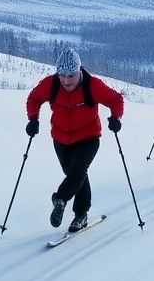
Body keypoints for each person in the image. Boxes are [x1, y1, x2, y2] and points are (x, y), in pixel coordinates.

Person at [25, 47, 124, 232]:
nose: (66, 80)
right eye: (62, 75)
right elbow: (34, 98)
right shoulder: (51, 84)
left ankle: (63, 201)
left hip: (89, 137)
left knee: (78, 171)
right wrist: (33, 119)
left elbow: (116, 99)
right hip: (61, 138)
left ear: (79, 70)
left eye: (71, 75)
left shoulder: (91, 85)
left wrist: (115, 118)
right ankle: (81, 214)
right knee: (74, 175)